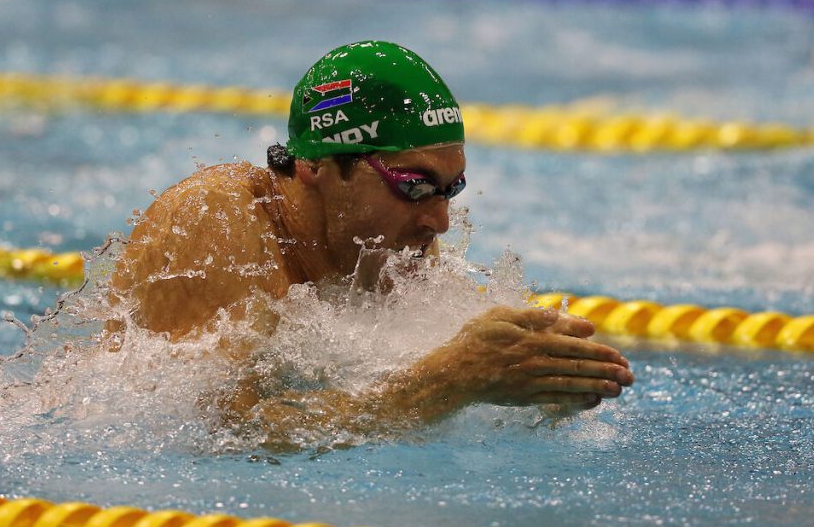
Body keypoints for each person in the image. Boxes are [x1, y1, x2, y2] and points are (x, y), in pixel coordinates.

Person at [109, 40, 633, 446]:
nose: (440, 221)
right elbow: (220, 435)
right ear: (317, 163)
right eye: (414, 186)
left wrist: (537, 383)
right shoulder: (217, 220)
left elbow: (454, 367)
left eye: (452, 190)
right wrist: (450, 382)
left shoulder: (389, 245)